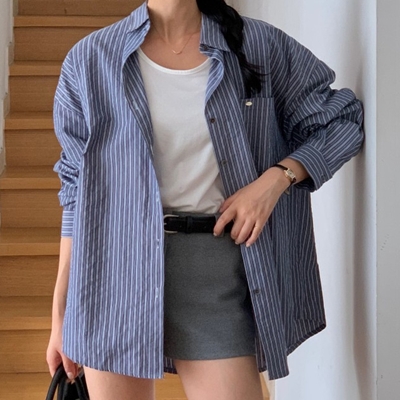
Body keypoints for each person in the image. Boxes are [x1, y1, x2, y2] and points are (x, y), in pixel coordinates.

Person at [46, 0, 364, 399]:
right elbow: (76, 193)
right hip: (113, 273)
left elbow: (342, 120)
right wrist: (61, 313)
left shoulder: (258, 46)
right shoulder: (91, 60)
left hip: (214, 274)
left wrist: (274, 180)